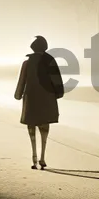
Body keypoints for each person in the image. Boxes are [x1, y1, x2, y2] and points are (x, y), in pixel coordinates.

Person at [14, 35, 64, 169]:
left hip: (31, 98)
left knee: (31, 127)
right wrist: (59, 93)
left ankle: (34, 157)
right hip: (47, 97)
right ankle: (42, 157)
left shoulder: (27, 63)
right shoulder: (50, 61)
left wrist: (18, 94)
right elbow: (57, 80)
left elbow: (22, 81)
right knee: (44, 127)